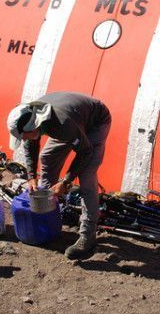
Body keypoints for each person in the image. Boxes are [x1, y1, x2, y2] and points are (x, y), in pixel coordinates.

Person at [7, 92, 112, 260]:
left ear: (34, 127)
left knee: (86, 176)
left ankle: (87, 237)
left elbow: (85, 152)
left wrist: (66, 181)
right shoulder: (31, 116)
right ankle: (50, 208)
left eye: (24, 135)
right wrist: (32, 176)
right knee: (48, 156)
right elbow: (30, 143)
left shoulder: (62, 124)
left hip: (95, 122)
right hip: (73, 122)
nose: (24, 139)